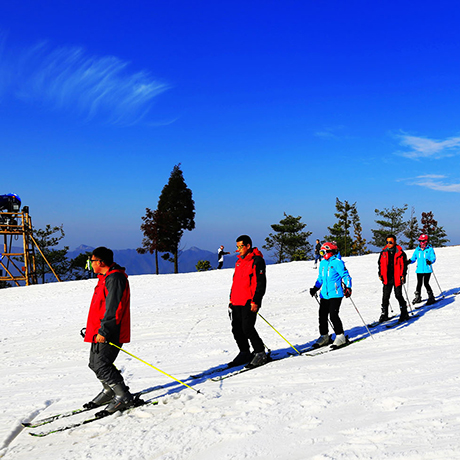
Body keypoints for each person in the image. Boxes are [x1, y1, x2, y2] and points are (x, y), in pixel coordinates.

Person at [83, 247, 134, 414]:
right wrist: (92, 328)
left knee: (102, 364)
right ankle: (109, 391)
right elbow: (101, 306)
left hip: (110, 330)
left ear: (101, 262)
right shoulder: (105, 277)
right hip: (99, 329)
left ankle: (123, 396)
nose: (90, 264)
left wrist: (104, 330)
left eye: (92, 261)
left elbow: (114, 307)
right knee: (94, 363)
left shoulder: (115, 278)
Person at [228, 235, 268, 368]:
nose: (238, 249)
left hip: (249, 301)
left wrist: (256, 300)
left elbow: (260, 283)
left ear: (248, 246)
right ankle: (244, 352)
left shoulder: (257, 261)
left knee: (247, 328)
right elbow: (235, 282)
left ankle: (260, 352)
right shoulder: (239, 261)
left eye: (240, 246)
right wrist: (231, 299)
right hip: (236, 301)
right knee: (236, 329)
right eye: (237, 247)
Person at [309, 242, 352, 348]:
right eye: (321, 252)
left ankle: (340, 336)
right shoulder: (323, 263)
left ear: (329, 252)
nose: (322, 254)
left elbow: (345, 276)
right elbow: (320, 278)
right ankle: (324, 336)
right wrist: (315, 288)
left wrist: (348, 287)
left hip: (336, 294)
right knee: (322, 316)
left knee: (333, 315)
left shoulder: (338, 262)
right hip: (324, 294)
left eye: (323, 252)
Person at [377, 235, 409, 323]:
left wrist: (403, 275)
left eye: (390, 242)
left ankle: (404, 312)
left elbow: (404, 265)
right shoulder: (383, 253)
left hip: (397, 277)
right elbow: (380, 264)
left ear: (394, 242)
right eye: (387, 242)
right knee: (385, 296)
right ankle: (384, 314)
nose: (388, 244)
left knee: (398, 295)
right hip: (387, 278)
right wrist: (380, 274)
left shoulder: (401, 253)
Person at [408, 234, 436, 305]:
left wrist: (430, 261)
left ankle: (431, 297)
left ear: (426, 241)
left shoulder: (430, 249)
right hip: (419, 270)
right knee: (419, 283)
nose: (422, 242)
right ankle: (418, 297)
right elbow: (413, 258)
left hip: (427, 269)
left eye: (423, 241)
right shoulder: (417, 250)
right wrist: (409, 261)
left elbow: (433, 257)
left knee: (426, 283)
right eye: (420, 241)